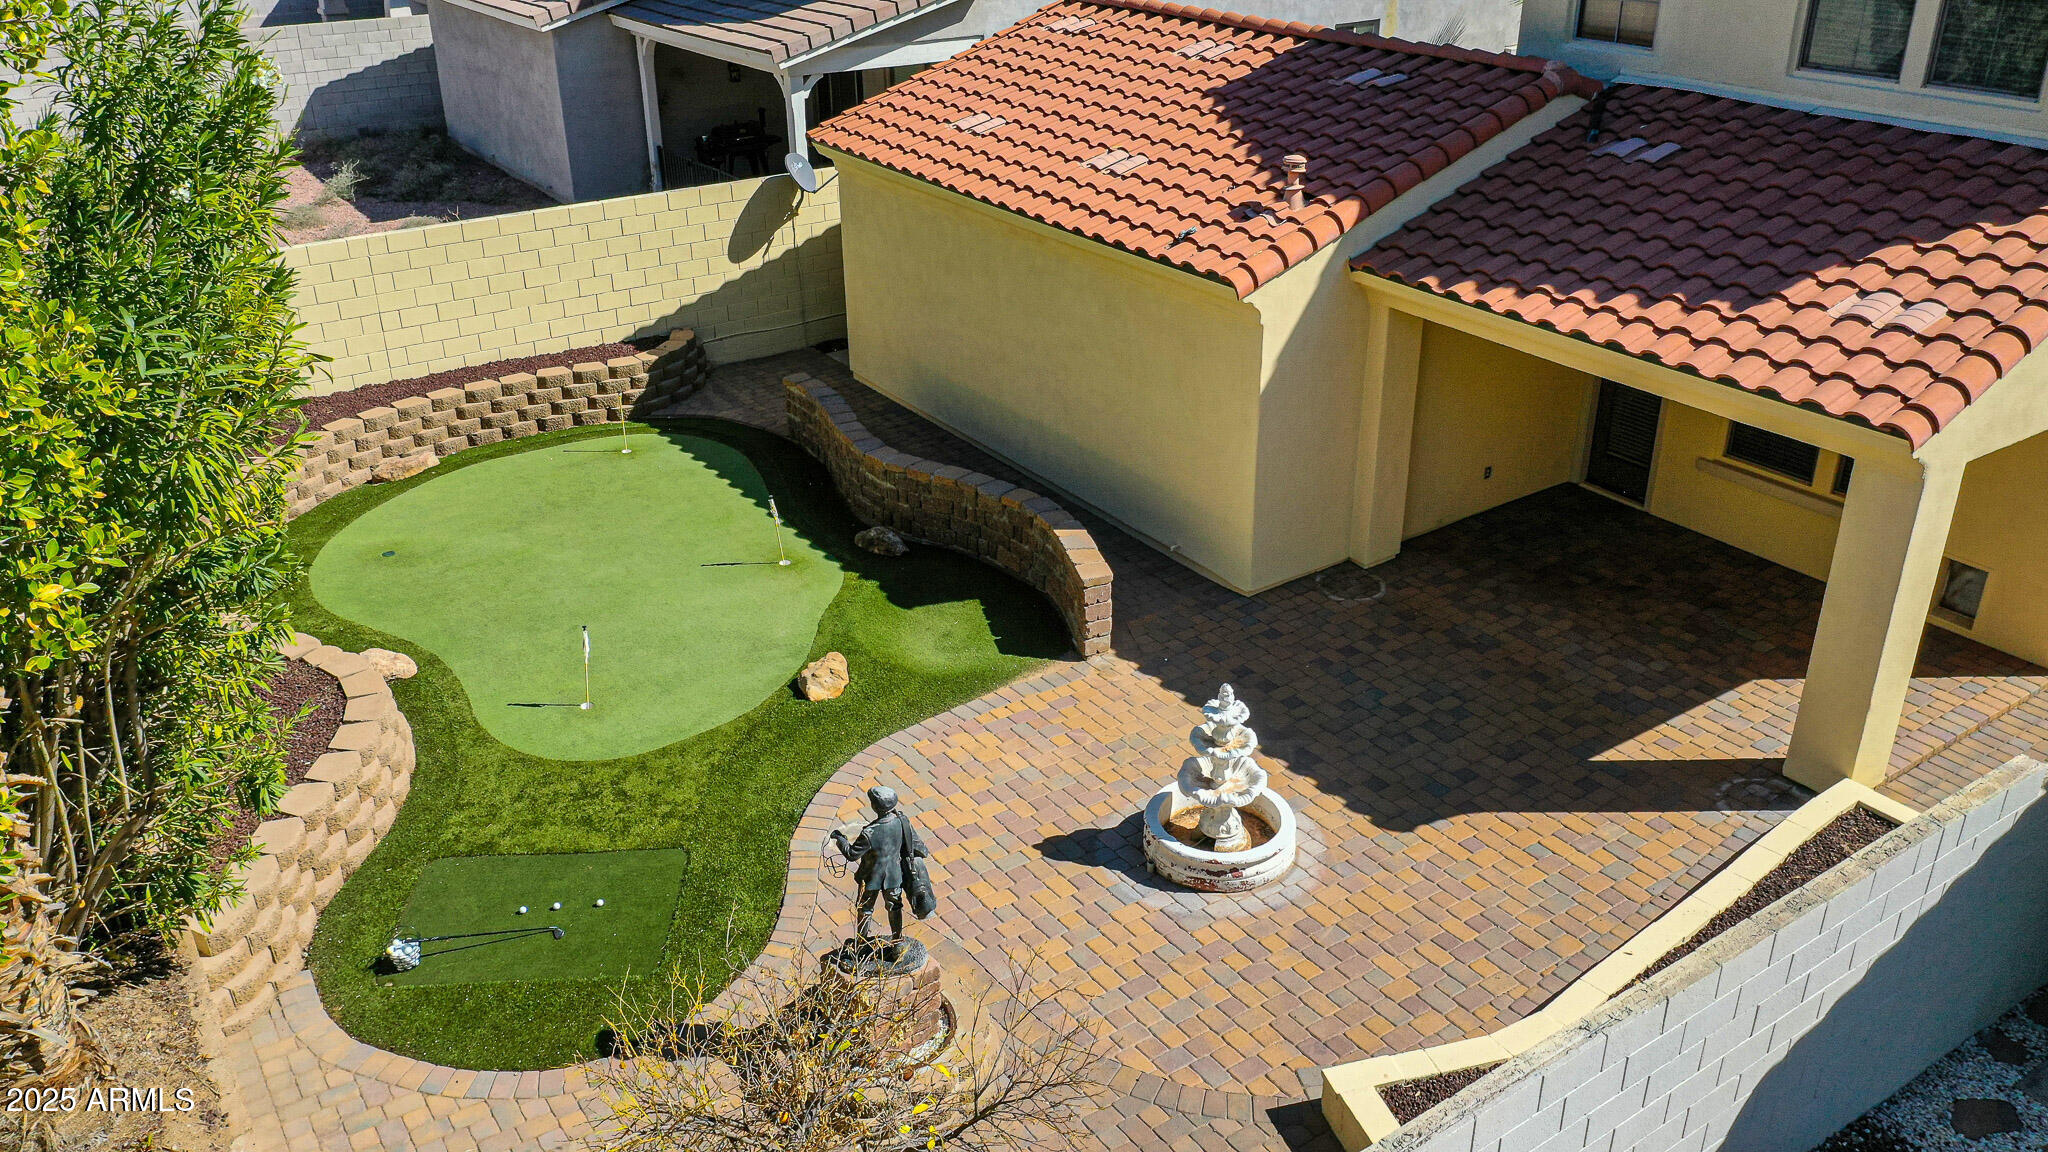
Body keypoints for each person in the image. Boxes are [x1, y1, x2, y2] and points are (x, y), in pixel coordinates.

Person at [830, 785, 928, 952]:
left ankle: (861, 944)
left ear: (875, 807)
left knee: (865, 909)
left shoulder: (870, 832)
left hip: (871, 880)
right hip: (895, 876)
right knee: (895, 907)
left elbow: (852, 854)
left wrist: (840, 839)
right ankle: (897, 942)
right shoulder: (901, 821)